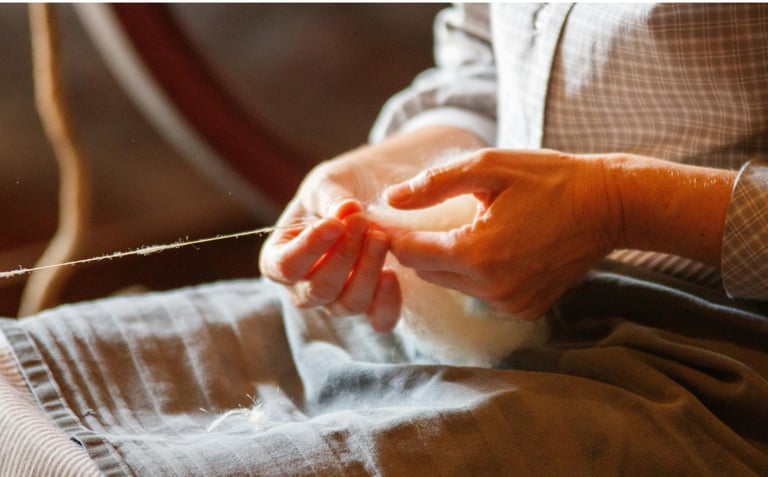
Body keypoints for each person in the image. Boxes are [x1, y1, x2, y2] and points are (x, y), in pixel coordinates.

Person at [259, 3, 768, 332]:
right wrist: (380, 175)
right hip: (506, 330)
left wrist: (617, 207)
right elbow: (488, 68)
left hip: (710, 338)